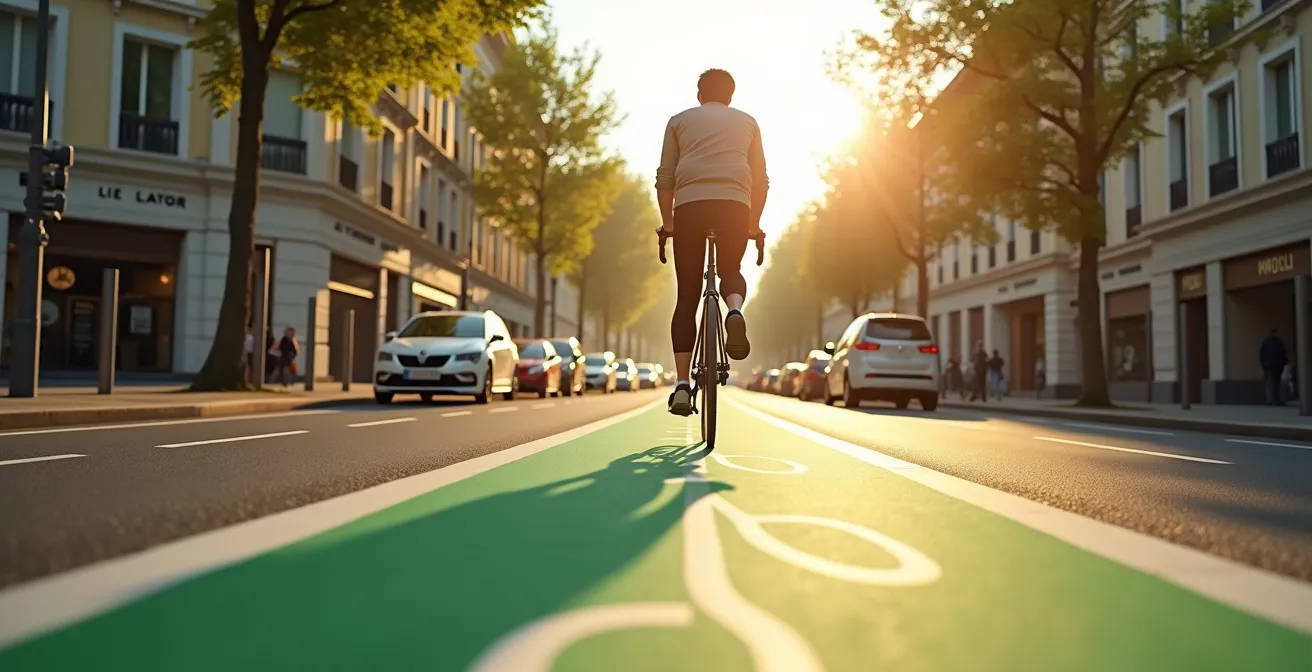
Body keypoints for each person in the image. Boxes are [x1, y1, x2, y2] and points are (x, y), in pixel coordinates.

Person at [655, 69, 769, 416]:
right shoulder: (748, 123)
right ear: (731, 96)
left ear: (699, 93)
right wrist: (753, 224)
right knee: (731, 268)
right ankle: (733, 310)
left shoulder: (678, 121)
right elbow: (761, 180)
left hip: (690, 207)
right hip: (735, 205)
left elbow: (665, 178)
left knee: (687, 295)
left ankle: (680, 385)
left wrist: (668, 223)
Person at [1259, 327, 1288, 405]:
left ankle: (1270, 400)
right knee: (1278, 382)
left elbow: (1261, 354)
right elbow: (1283, 354)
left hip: (1268, 365)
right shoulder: (1279, 342)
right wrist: (1284, 364)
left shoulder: (1265, 342)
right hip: (1278, 365)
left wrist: (1263, 364)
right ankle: (1279, 400)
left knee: (1269, 383)